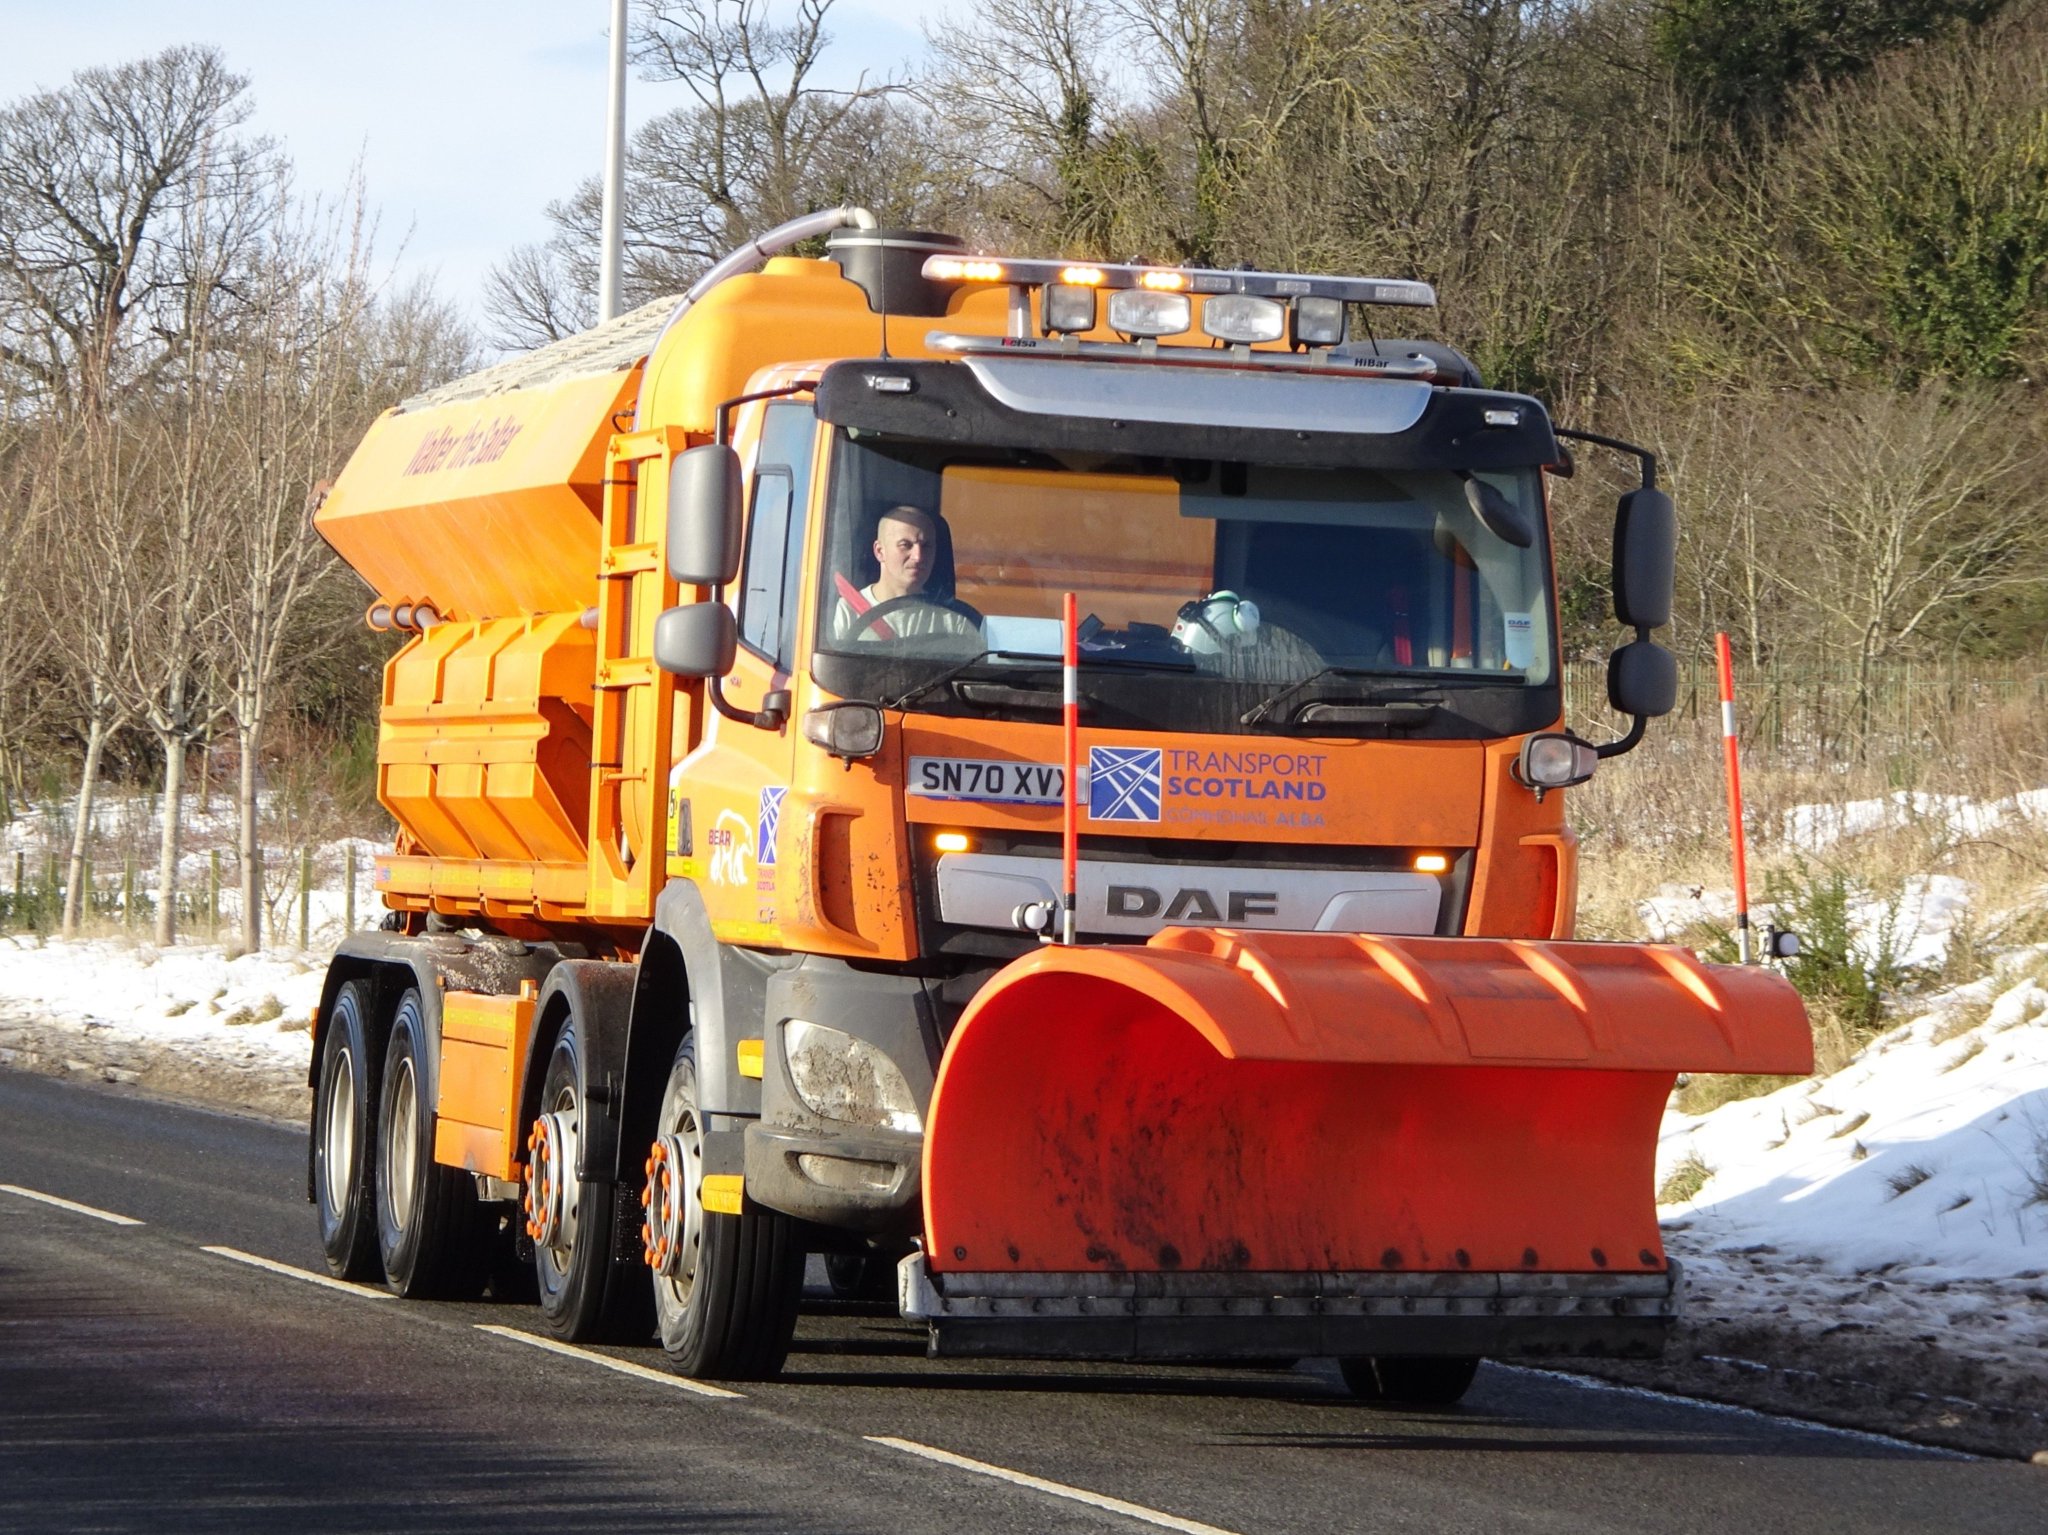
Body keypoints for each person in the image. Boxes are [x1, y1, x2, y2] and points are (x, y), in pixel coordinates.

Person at [831, 505, 978, 641]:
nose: (918, 556)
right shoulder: (847, 611)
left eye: (926, 546)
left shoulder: (954, 619)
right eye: (905, 545)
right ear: (879, 551)